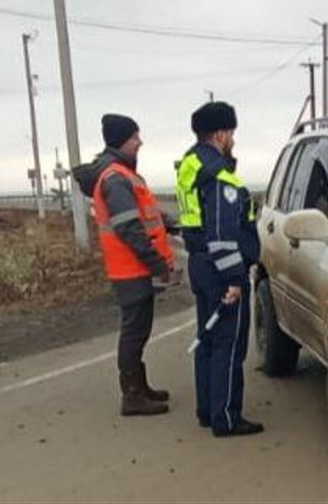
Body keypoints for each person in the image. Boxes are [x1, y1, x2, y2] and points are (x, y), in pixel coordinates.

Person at [74, 114, 176, 417]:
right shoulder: (116, 178)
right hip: (131, 268)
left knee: (139, 329)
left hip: (132, 268)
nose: (139, 142)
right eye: (134, 137)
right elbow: (129, 227)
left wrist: (169, 224)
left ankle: (139, 387)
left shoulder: (121, 173)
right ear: (121, 141)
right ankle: (132, 396)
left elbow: (143, 216)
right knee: (134, 331)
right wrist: (156, 262)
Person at [175, 101, 264, 437]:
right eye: (231, 133)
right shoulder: (218, 175)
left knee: (208, 340)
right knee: (229, 344)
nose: (233, 140)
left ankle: (207, 410)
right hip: (220, 269)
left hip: (200, 263)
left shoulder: (191, 164)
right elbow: (221, 234)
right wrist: (235, 279)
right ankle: (226, 417)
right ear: (220, 134)